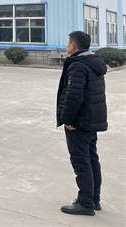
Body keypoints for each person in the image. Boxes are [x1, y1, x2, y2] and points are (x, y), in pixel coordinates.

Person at [57, 31, 107, 216]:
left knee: (82, 161)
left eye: (67, 42)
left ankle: (85, 203)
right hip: (92, 118)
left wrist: (68, 120)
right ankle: (94, 199)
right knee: (91, 159)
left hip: (80, 121)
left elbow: (74, 95)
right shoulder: (93, 61)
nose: (66, 45)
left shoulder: (78, 64)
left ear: (73, 45)